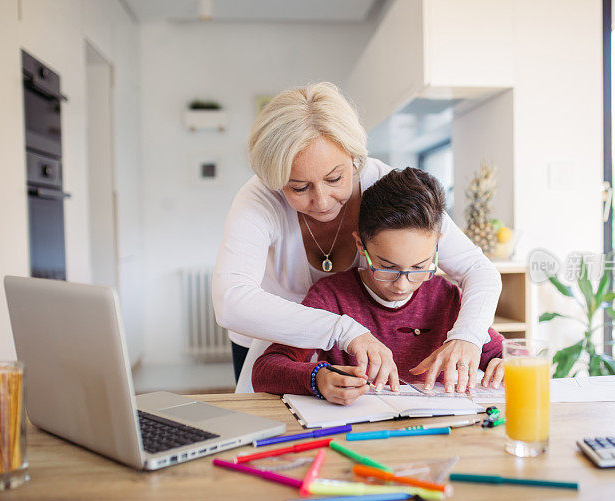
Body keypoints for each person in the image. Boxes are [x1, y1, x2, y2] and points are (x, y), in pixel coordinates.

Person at [212, 82, 502, 392]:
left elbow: (478, 269)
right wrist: (344, 330)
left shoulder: (388, 192)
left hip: (354, 338)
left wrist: (467, 337)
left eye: (335, 178)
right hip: (273, 335)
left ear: (354, 157)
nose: (322, 202)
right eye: (299, 187)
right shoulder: (259, 198)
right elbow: (231, 301)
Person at [251, 168, 505, 404]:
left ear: (437, 246)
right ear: (361, 246)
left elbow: (503, 354)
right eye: (387, 267)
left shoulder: (447, 298)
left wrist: (506, 365)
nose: (403, 284)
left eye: (419, 268)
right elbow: (265, 370)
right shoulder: (330, 298)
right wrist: (318, 378)